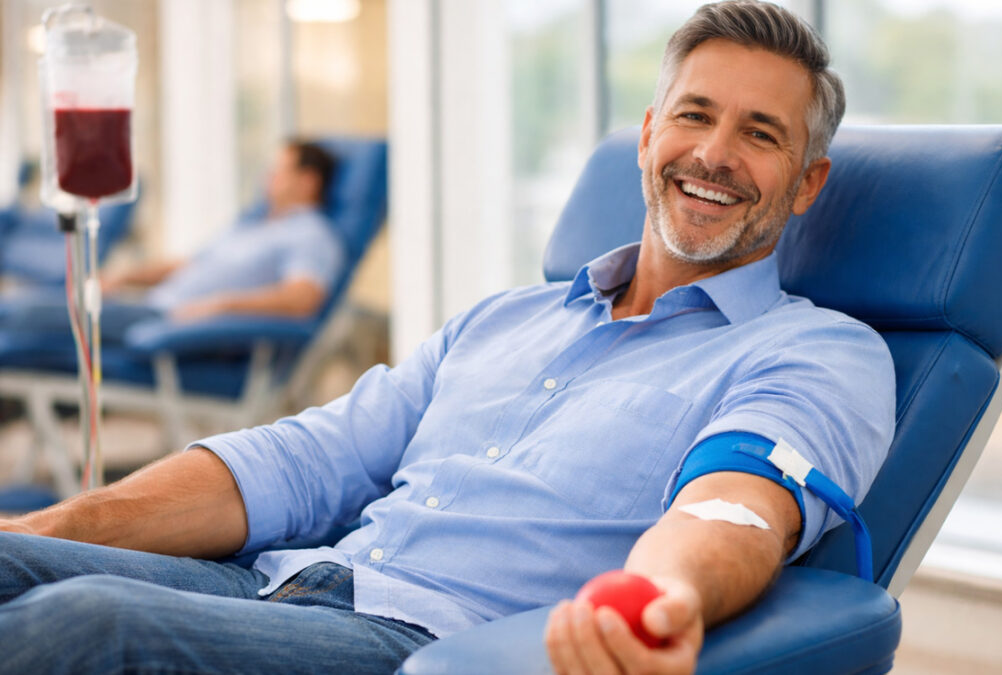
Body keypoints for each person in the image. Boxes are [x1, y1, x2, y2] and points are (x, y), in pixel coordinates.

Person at [0, 2, 894, 674]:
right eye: (695, 114)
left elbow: (733, 508)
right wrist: (52, 525)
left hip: (421, 642)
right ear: (649, 134)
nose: (715, 153)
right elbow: (307, 460)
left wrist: (657, 598)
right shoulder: (504, 318)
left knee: (87, 624)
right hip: (282, 581)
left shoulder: (817, 352)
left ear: (807, 183)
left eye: (760, 133)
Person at [0, 138, 343, 341]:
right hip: (152, 308)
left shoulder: (311, 234)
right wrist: (124, 276)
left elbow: (302, 298)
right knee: (21, 310)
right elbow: (189, 264)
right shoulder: (251, 226)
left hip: (174, 327)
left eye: (279, 170)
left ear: (308, 181)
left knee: (25, 313)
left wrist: (221, 306)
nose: (267, 177)